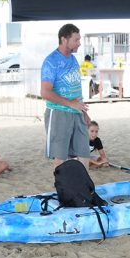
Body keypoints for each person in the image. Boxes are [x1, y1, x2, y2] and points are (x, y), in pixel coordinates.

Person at [40, 23, 90, 170]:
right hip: (59, 114)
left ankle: (83, 190)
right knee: (60, 158)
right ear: (64, 39)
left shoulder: (74, 60)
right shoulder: (51, 62)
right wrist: (70, 104)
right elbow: (45, 92)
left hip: (77, 112)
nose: (79, 43)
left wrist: (84, 112)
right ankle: (61, 190)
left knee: (84, 155)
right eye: (76, 40)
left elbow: (76, 89)